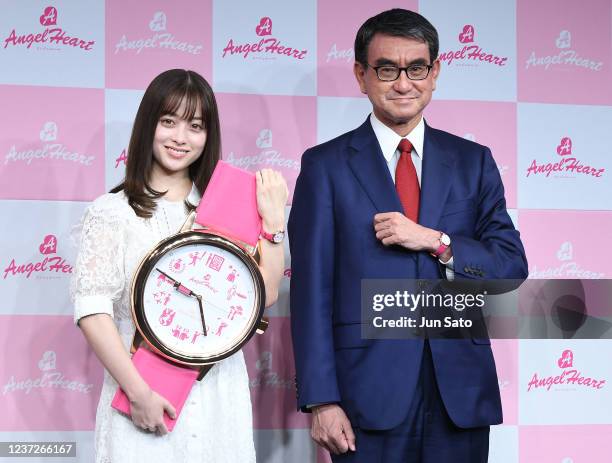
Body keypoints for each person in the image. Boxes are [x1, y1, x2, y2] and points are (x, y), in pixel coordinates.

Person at [288, 9, 527, 463]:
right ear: (361, 75)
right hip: (365, 395)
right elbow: (311, 291)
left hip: (459, 393)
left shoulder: (473, 161)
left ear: (435, 73)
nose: (403, 83)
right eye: (386, 69)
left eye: (417, 68)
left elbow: (510, 264)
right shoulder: (325, 166)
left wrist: (436, 240)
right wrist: (321, 398)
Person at [72, 69, 288, 462]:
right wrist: (139, 394)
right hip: (143, 389)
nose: (180, 138)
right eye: (168, 121)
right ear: (148, 125)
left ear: (208, 136)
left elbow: (266, 294)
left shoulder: (225, 205)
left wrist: (273, 223)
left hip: (219, 391)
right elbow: (92, 310)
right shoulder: (112, 212)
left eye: (195, 126)